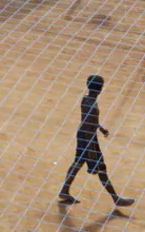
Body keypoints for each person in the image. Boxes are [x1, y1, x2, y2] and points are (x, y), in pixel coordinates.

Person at [57, 75, 136, 209]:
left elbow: (89, 120)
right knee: (101, 168)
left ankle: (65, 190)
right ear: (100, 89)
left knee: (78, 162)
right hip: (89, 138)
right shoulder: (92, 105)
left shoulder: (86, 99)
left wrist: (100, 128)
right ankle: (116, 198)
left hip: (83, 135)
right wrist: (91, 148)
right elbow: (89, 123)